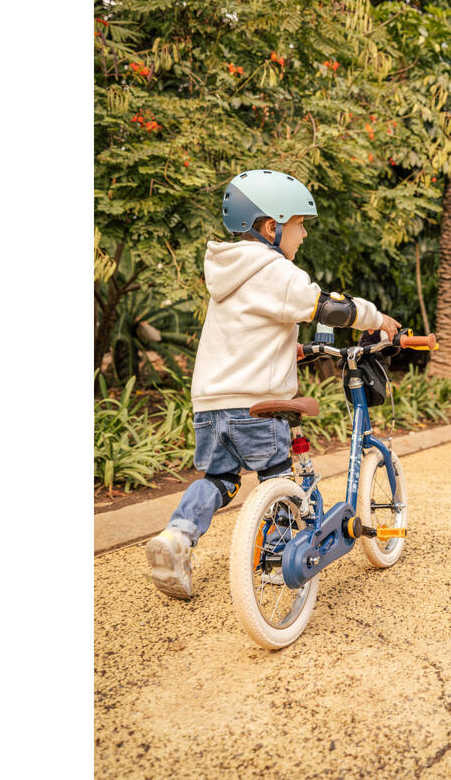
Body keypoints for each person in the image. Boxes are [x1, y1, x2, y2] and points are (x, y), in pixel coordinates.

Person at [145, 169, 401, 599]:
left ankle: (177, 536)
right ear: (271, 226)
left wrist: (293, 350)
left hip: (211, 405)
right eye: (299, 224)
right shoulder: (275, 269)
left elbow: (249, 332)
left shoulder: (229, 274)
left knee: (220, 480)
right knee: (278, 479)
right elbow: (329, 309)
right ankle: (277, 566)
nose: (303, 235)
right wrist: (378, 319)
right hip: (255, 404)